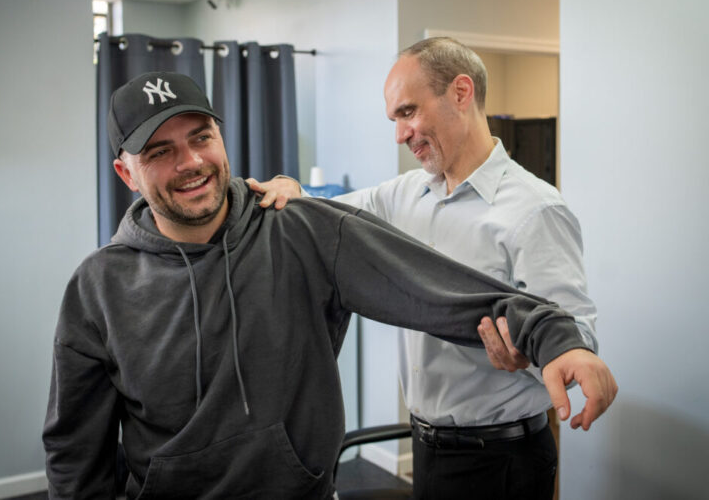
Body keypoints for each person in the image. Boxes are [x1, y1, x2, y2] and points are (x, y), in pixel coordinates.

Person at [43, 71, 616, 499]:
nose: (191, 162)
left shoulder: (300, 231)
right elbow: (76, 452)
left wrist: (553, 336)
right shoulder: (98, 286)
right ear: (126, 173)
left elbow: (433, 287)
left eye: (201, 138)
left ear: (220, 136)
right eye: (160, 152)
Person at [251, 37, 612, 500]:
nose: (400, 135)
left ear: (461, 93)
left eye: (407, 112)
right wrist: (289, 187)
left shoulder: (535, 209)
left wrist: (528, 360)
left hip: (501, 460)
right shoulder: (401, 195)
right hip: (427, 449)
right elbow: (324, 217)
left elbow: (576, 336)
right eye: (395, 119)